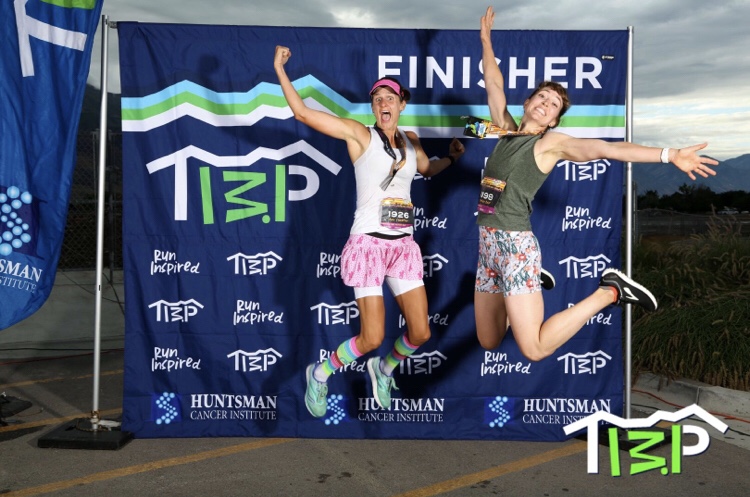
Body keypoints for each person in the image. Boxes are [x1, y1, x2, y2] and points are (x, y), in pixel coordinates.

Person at [474, 6, 718, 360]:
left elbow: (608, 148)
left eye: (553, 104)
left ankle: (609, 291)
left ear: (553, 121)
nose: (545, 103)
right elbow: (494, 83)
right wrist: (485, 40)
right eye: (542, 96)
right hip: (488, 246)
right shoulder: (506, 130)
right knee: (489, 340)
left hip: (514, 246)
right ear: (527, 102)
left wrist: (670, 154)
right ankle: (528, 282)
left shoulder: (550, 144)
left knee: (535, 348)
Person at [273, 45, 465, 418]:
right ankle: (320, 373)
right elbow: (302, 113)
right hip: (369, 245)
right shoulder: (360, 135)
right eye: (377, 99)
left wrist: (453, 158)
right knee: (372, 336)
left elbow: (427, 169)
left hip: (403, 247)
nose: (383, 103)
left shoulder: (411, 140)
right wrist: (280, 69)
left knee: (421, 333)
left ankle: (385, 368)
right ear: (373, 107)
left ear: (402, 103)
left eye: (389, 97)